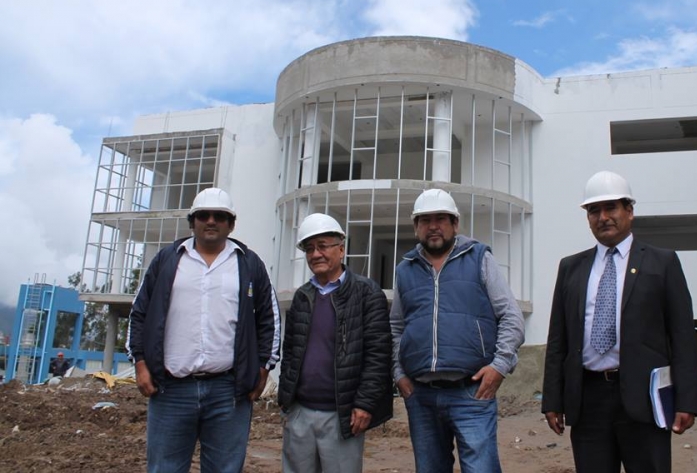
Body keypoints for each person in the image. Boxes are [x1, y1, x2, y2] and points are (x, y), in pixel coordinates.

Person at [542, 171, 697, 473]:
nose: (603, 217)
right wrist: (552, 399)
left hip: (644, 399)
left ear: (629, 211)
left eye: (611, 208)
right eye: (594, 211)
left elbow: (682, 336)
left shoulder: (662, 263)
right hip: (588, 401)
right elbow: (558, 340)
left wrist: (687, 401)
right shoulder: (571, 268)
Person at [127, 187, 281, 473]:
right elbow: (139, 313)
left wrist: (263, 368)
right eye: (203, 215)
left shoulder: (248, 264)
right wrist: (140, 362)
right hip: (170, 389)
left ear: (231, 224)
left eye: (219, 216)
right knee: (164, 468)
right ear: (192, 221)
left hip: (229, 391)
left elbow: (269, 319)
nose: (211, 221)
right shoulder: (167, 260)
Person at [390, 189, 525, 473]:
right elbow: (396, 327)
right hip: (421, 396)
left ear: (455, 224)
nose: (433, 226)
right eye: (425, 220)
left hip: (471, 394)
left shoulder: (479, 258)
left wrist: (499, 366)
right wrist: (399, 373)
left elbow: (511, 317)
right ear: (416, 228)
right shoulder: (405, 270)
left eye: (441, 218)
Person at [278, 213, 393, 473]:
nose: (315, 254)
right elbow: (290, 351)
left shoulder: (366, 293)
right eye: (309, 248)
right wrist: (286, 400)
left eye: (322, 246)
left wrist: (364, 404)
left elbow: (378, 354)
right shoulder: (302, 297)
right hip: (300, 412)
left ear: (341, 249)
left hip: (342, 415)